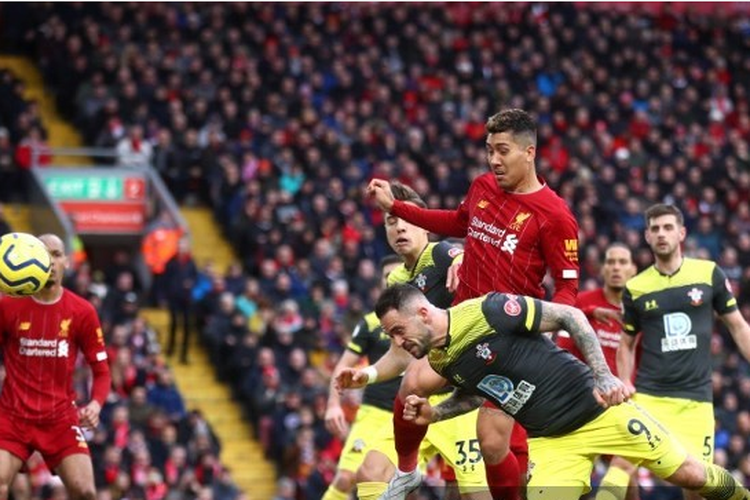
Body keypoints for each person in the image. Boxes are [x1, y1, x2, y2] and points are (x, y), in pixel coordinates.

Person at [366, 283, 750, 500]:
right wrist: (437, 413)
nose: (398, 342)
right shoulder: (441, 360)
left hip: (597, 411)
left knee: (689, 474)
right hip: (550, 440)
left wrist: (602, 375)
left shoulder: (489, 311)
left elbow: (570, 315)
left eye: (398, 331)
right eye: (390, 337)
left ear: (422, 314)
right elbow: (482, 393)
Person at [367, 108, 580, 499]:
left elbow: (568, 289)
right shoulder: (483, 187)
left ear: (529, 152)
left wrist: (547, 327)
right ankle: (408, 472)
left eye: (502, 151)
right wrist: (395, 208)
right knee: (412, 385)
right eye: (489, 151)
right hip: (462, 323)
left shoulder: (555, 216)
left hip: (509, 340)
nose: (493, 160)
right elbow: (455, 221)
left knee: (492, 441)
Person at [329, 182, 488, 500]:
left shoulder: (443, 254)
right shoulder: (397, 282)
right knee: (370, 472)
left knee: (473, 494)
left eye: (408, 219)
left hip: (461, 403)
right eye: (391, 221)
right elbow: (400, 354)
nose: (399, 227)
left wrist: (463, 260)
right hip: (419, 405)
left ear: (425, 224)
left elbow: (465, 255)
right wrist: (368, 375)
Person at [616, 204, 750, 500]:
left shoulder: (708, 274)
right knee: (622, 469)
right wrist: (625, 381)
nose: (661, 234)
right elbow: (626, 343)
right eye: (655, 229)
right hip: (650, 398)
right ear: (647, 237)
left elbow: (738, 326)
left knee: (697, 488)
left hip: (696, 402)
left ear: (682, 233)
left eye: (667, 227)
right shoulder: (636, 287)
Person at [0, 233, 111, 500]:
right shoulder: (7, 306)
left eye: (56, 254)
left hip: (59, 418)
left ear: (67, 262)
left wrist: (95, 404)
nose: (50, 261)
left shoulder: (82, 311)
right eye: (43, 253)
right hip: (13, 417)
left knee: (85, 492)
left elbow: (102, 371)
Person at [555, 243, 640, 500]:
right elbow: (561, 351)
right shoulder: (582, 304)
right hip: (581, 404)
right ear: (602, 269)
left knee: (628, 480)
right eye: (611, 262)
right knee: (573, 481)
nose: (616, 267)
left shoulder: (641, 309)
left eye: (623, 262)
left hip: (621, 406)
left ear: (633, 269)